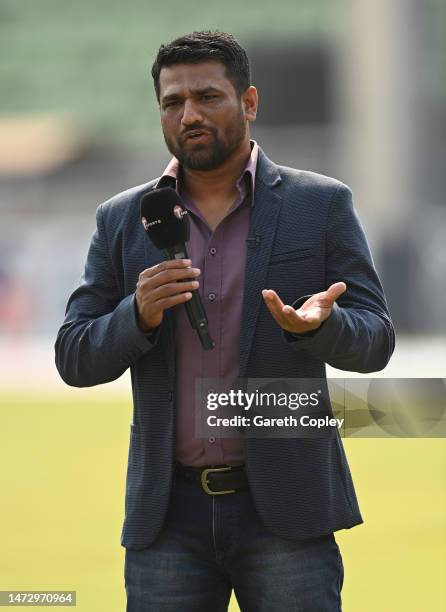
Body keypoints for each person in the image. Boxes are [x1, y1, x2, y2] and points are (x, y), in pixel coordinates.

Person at [55, 30, 395, 612]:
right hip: (168, 518)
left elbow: (376, 339)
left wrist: (320, 327)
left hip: (287, 511)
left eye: (208, 96)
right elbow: (74, 356)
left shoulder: (321, 203)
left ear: (250, 102)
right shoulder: (123, 218)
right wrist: (134, 315)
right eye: (172, 102)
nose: (189, 113)